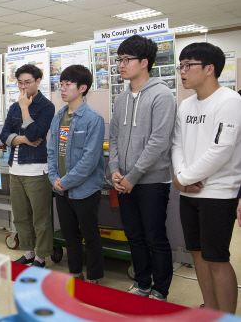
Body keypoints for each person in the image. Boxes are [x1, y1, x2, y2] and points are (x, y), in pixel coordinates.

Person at [172, 42, 241, 313]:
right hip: (188, 192)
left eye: (189, 65)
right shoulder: (186, 104)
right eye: (181, 66)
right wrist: (180, 178)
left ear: (210, 69)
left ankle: (226, 317)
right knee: (198, 256)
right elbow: (177, 144)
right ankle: (210, 309)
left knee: (217, 259)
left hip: (218, 193)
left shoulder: (230, 101)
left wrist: (184, 177)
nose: (183, 71)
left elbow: (221, 150)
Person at [109, 35, 176, 301]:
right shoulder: (121, 99)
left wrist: (133, 176)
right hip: (124, 180)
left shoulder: (162, 95)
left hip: (151, 181)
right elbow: (113, 137)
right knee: (134, 235)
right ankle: (142, 283)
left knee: (155, 237)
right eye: (120, 59)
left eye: (127, 60)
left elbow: (159, 141)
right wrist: (114, 169)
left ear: (144, 62)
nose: (121, 65)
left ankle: (160, 289)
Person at [47, 65, 105, 283]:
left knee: (91, 237)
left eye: (67, 85)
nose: (62, 89)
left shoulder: (93, 118)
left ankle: (94, 278)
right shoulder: (58, 117)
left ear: (82, 88)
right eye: (60, 84)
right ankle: (75, 274)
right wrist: (54, 179)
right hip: (61, 189)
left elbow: (90, 160)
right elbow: (52, 151)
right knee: (70, 235)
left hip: (84, 189)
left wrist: (66, 181)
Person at [0, 64, 55, 268]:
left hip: (36, 170)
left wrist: (25, 107)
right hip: (15, 169)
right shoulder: (13, 107)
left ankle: (41, 257)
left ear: (38, 81)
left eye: (27, 83)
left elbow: (35, 134)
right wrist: (23, 140)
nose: (23, 87)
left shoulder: (46, 106)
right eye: (20, 83)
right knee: (21, 217)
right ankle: (29, 253)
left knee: (40, 219)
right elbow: (3, 136)